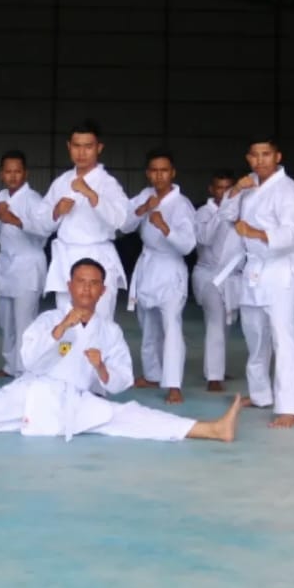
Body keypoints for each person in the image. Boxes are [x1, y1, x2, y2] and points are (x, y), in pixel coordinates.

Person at [0, 259, 241, 443]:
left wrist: (102, 369)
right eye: (80, 282)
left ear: (103, 290)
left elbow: (121, 380)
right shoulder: (49, 319)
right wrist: (62, 329)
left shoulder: (109, 332)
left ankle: (211, 429)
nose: (86, 289)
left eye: (94, 283)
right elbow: (28, 361)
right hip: (30, 394)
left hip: (77, 400)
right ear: (69, 286)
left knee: (130, 416)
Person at [218, 137, 294, 428]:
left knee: (283, 336)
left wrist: (256, 233)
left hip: (281, 269)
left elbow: (293, 233)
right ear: (248, 158)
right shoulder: (248, 187)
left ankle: (288, 406)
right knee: (254, 333)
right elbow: (225, 215)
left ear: (277, 156)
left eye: (266, 154)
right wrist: (235, 190)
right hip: (254, 268)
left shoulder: (290, 191)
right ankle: (260, 394)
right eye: (255, 155)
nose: (260, 160)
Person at [122, 149, 198, 403]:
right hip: (148, 266)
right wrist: (144, 208)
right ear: (148, 173)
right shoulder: (145, 196)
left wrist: (165, 228)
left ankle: (174, 383)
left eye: (164, 170)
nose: (159, 175)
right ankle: (152, 374)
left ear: (172, 173)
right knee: (148, 326)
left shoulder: (182, 204)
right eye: (154, 171)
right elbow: (124, 225)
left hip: (170, 268)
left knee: (171, 327)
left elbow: (188, 245)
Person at [42, 120, 129, 321]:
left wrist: (91, 195)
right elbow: (41, 223)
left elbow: (121, 220)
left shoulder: (108, 183)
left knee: (99, 322)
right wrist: (56, 212)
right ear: (69, 147)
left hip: (97, 257)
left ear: (99, 148)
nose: (82, 153)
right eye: (77, 146)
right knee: (66, 322)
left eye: (88, 146)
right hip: (67, 260)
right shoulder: (61, 182)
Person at [0, 150, 51, 379]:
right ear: (1, 174)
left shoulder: (34, 199)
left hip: (29, 265)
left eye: (17, 171)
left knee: (25, 322)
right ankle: (10, 365)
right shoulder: (0, 197)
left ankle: (25, 368)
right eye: (8, 172)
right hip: (5, 266)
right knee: (6, 322)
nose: (13, 176)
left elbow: (44, 231)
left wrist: (15, 220)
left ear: (26, 173)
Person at [191, 169, 242, 393]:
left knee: (226, 324)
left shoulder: (241, 210)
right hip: (209, 275)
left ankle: (217, 369)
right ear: (211, 190)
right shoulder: (204, 212)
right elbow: (204, 238)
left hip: (234, 276)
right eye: (219, 188)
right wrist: (222, 212)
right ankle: (213, 376)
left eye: (229, 189)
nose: (224, 193)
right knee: (216, 323)